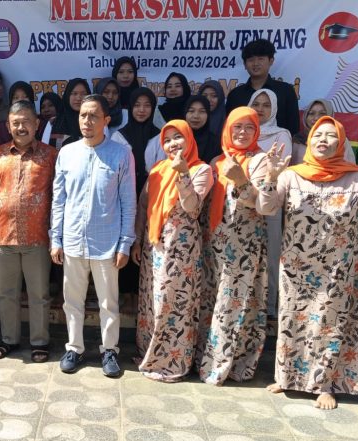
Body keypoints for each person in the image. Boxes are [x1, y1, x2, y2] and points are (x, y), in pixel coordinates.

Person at [258, 116, 358, 410]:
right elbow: (266, 208)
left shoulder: (356, 178)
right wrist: (270, 177)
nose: (323, 140)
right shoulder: (291, 175)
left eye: (330, 135)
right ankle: (287, 377)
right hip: (296, 268)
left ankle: (324, 384)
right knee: (293, 321)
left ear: (340, 142)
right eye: (318, 135)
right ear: (310, 140)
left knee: (329, 325)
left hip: (336, 269)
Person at [50, 94, 136, 378]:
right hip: (73, 240)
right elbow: (59, 200)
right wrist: (56, 238)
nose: (87, 121)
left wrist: (125, 243)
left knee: (108, 302)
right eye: (83, 115)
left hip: (107, 242)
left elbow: (128, 202)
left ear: (106, 120)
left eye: (94, 116)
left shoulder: (121, 154)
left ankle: (109, 350)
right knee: (72, 300)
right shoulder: (67, 153)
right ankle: (74, 348)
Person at [132, 119, 213, 383]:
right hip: (154, 247)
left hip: (181, 249)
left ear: (189, 139)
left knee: (174, 304)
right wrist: (137, 240)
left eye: (178, 137)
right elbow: (144, 205)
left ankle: (172, 362)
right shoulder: (157, 169)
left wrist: (183, 174)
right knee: (152, 303)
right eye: (167, 140)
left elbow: (193, 207)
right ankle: (149, 354)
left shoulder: (201, 170)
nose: (172, 144)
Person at [196, 107, 268, 386]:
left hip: (243, 246)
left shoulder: (260, 160)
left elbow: (261, 203)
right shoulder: (217, 161)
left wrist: (240, 179)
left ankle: (225, 364)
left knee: (234, 304)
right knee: (210, 300)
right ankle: (204, 357)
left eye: (249, 127)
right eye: (237, 126)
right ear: (227, 128)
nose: (242, 132)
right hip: (213, 243)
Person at [0, 100, 57, 362]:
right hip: (4, 236)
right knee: (6, 294)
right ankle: (9, 339)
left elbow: (59, 196)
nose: (21, 127)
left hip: (39, 237)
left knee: (39, 294)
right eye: (16, 123)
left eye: (26, 122)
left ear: (37, 124)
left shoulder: (51, 156)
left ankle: (40, 341)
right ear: (8, 125)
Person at [111, 88, 160, 313]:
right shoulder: (119, 136)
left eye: (147, 105)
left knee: (145, 243)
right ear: (130, 108)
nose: (142, 110)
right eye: (137, 105)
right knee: (126, 242)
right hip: (124, 195)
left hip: (152, 197)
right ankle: (125, 293)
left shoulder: (160, 136)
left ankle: (142, 293)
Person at [248, 88, 293, 318]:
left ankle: (269, 308)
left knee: (270, 255)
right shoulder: (244, 131)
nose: (260, 109)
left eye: (266, 105)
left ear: (274, 109)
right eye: (256, 104)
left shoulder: (280, 135)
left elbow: (281, 172)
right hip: (245, 204)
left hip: (270, 202)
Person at [225, 39, 300, 136]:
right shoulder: (235, 95)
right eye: (251, 59)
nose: (255, 63)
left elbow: (293, 129)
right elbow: (230, 128)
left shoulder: (286, 91)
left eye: (260, 59)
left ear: (271, 61)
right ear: (244, 64)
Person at [292, 99, 356, 164]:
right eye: (311, 113)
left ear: (330, 116)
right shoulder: (297, 140)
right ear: (305, 117)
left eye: (322, 113)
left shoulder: (340, 140)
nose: (316, 118)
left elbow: (349, 166)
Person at [44, 78, 91, 150]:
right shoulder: (53, 122)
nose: (78, 98)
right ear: (68, 95)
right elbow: (44, 149)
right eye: (74, 93)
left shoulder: (95, 121)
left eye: (83, 94)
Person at [185, 96, 221, 163]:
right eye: (191, 111)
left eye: (202, 111)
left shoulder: (216, 143)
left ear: (208, 115)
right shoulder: (177, 139)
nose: (196, 116)